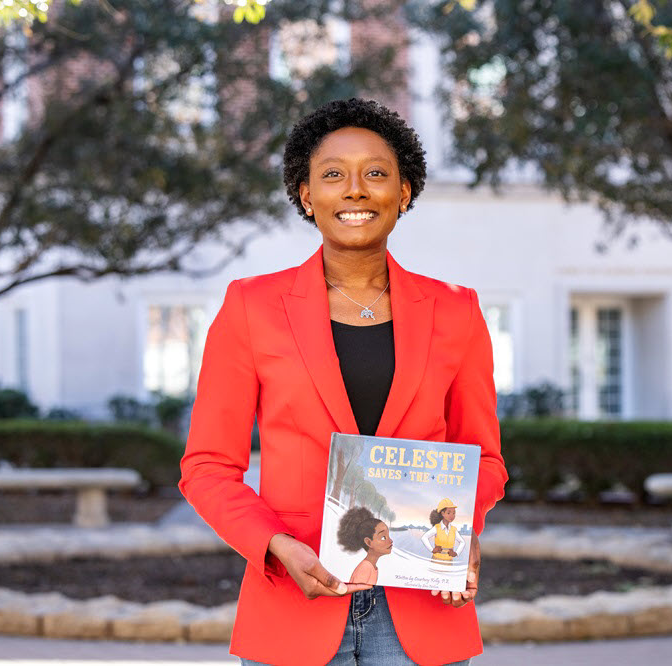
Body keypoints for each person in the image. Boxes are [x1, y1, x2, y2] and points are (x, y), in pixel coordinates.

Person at [179, 97, 508, 666]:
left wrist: (462, 532)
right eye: (333, 175)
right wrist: (276, 547)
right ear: (307, 195)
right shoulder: (251, 308)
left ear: (403, 192)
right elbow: (207, 467)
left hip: (423, 609)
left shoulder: (457, 311)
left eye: (375, 174)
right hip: (293, 605)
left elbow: (485, 459)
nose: (355, 191)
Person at [337, 506, 393, 585]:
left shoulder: (372, 567)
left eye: (388, 536)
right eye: (383, 537)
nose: (391, 541)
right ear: (369, 542)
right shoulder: (365, 568)